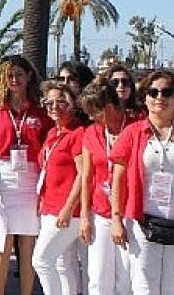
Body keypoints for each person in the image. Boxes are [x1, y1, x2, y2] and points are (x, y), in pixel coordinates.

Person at [0, 55, 50, 295]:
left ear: (28, 76)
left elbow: (47, 151)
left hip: (31, 179)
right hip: (4, 178)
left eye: (19, 74)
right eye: (10, 75)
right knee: (3, 244)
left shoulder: (40, 112)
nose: (15, 80)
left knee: (27, 244)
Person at [109, 69, 174, 294]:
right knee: (144, 285)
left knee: (170, 287)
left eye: (167, 92)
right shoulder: (133, 132)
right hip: (142, 221)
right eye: (153, 92)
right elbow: (117, 178)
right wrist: (116, 219)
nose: (160, 98)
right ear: (144, 97)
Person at [32, 81, 85, 295]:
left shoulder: (77, 133)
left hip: (68, 211)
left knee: (41, 261)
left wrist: (68, 207)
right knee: (63, 263)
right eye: (49, 103)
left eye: (60, 102)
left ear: (72, 105)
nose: (54, 107)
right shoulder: (52, 133)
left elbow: (83, 174)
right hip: (49, 207)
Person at [79, 83, 132, 295]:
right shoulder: (91, 133)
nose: (91, 118)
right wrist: (84, 216)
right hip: (100, 212)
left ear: (109, 107)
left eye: (94, 112)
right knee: (98, 278)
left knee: (125, 279)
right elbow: (86, 176)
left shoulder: (134, 128)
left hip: (129, 213)